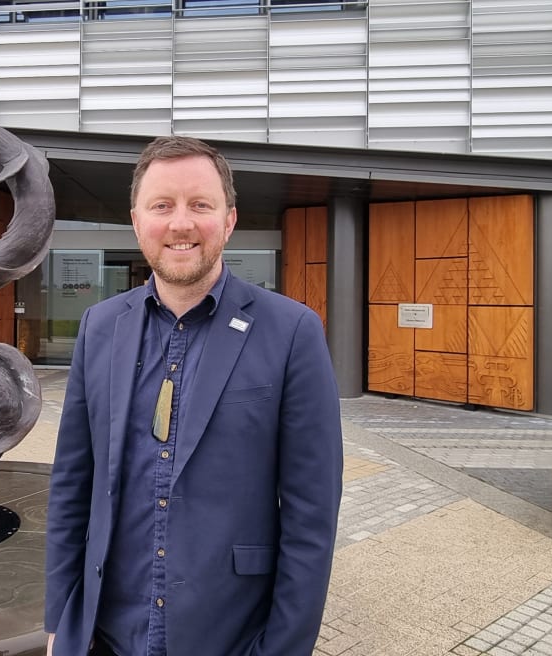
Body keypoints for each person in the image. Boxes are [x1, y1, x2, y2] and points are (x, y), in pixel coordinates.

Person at [43, 135, 343, 656]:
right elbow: (73, 482)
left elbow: (311, 515)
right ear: (137, 221)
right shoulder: (100, 326)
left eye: (200, 205)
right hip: (105, 636)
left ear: (228, 220)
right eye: (162, 205)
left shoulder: (292, 331)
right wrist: (60, 620)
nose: (180, 223)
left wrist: (283, 647)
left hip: (230, 636)